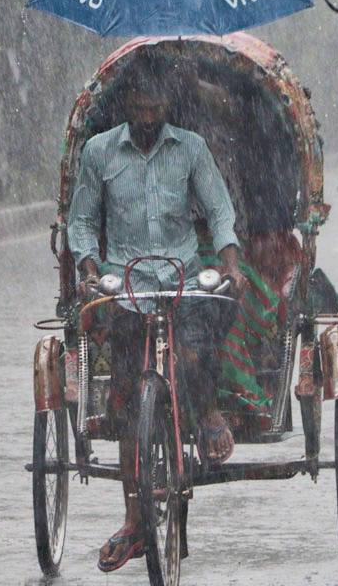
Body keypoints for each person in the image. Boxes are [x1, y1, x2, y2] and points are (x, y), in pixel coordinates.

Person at [66, 52, 248, 573]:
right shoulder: (99, 153)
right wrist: (88, 266)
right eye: (139, 106)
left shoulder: (190, 149)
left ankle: (207, 409)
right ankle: (132, 517)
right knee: (126, 401)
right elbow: (82, 221)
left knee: (194, 348)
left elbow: (219, 210)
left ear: (167, 105)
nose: (148, 115)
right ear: (126, 105)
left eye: (156, 106)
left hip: (182, 276)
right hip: (124, 281)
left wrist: (230, 264)